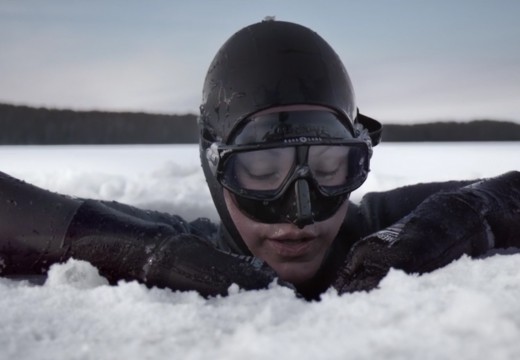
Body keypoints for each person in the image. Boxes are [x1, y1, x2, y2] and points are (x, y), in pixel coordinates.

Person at [1, 20, 519, 300]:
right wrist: (144, 255)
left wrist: (464, 217)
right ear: (214, 167)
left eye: (328, 168)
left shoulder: (386, 229)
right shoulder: (188, 245)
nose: (300, 213)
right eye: (262, 171)